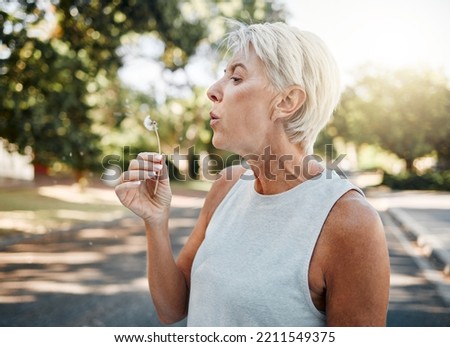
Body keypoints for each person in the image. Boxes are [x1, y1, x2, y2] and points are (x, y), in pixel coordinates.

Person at [115, 21, 390, 327]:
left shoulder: (350, 222)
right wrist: (156, 221)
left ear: (286, 102)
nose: (212, 90)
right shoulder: (227, 185)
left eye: (236, 77)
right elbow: (173, 308)